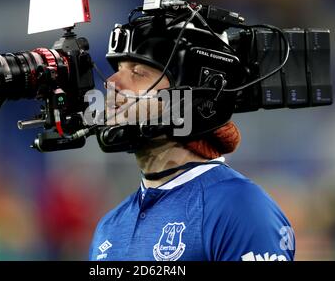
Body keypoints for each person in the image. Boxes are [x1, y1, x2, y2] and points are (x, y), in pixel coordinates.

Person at [89, 13, 295, 261]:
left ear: (192, 96)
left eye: (138, 72)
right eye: (118, 69)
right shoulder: (109, 227)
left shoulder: (240, 208)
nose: (111, 83)